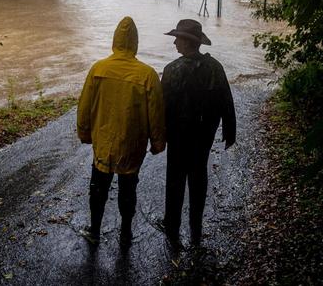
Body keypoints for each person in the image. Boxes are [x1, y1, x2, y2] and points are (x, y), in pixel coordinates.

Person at [77, 16, 166, 246]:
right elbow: (156, 114)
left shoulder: (98, 68)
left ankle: (94, 230)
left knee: (98, 187)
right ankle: (125, 234)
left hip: (104, 143)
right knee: (128, 189)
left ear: (114, 40)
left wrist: (85, 133)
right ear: (135, 42)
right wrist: (158, 143)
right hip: (132, 145)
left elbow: (84, 106)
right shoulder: (148, 75)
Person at [160, 19, 236, 245]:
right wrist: (230, 130)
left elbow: (162, 108)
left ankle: (172, 227)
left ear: (186, 42)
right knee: (198, 176)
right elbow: (227, 101)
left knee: (175, 179)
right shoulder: (215, 67)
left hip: (177, 137)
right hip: (203, 136)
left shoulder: (172, 70)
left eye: (177, 38)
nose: (174, 42)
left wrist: (157, 135)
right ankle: (196, 225)